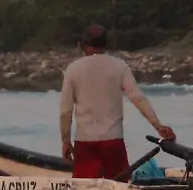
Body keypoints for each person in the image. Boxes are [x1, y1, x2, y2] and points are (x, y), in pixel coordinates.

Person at [59, 24, 175, 179]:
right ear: (107, 44)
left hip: (85, 143)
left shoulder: (73, 69)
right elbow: (138, 98)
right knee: (119, 188)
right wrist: (158, 126)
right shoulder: (119, 67)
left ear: (82, 45)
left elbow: (65, 111)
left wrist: (66, 141)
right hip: (113, 142)